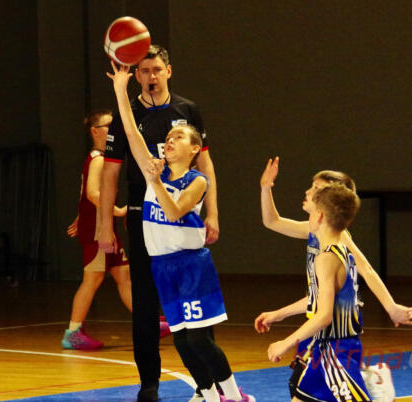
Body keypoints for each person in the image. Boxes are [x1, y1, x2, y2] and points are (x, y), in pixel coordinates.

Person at [106, 60, 254, 402]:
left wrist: (154, 181)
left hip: (190, 266)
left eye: (178, 138)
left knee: (199, 339)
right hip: (162, 266)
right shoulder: (153, 171)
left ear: (194, 149)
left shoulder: (195, 180)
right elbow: (131, 132)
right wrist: (120, 91)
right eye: (169, 137)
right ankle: (208, 394)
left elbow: (173, 212)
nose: (169, 141)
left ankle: (234, 396)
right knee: (182, 340)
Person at [98, 45, 219, 401]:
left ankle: (209, 382)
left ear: (169, 71)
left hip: (183, 215)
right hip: (144, 216)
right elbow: (110, 173)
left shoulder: (187, 111)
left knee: (192, 304)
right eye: (145, 70)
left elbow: (206, 165)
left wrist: (213, 212)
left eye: (157, 69)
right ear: (136, 75)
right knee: (146, 303)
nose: (151, 76)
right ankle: (149, 383)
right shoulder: (127, 116)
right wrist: (105, 224)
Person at [255, 158, 412, 399]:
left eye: (317, 189)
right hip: (321, 336)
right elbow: (272, 221)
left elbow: (366, 270)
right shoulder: (316, 232)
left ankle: (370, 382)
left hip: (334, 339)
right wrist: (266, 187)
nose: (309, 192)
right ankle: (366, 379)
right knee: (298, 389)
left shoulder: (336, 244)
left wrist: (390, 306)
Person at [257, 177, 370, 401]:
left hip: (336, 351)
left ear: (319, 215)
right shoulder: (337, 251)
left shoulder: (327, 257)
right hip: (325, 347)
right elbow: (318, 299)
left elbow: (324, 316)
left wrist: (285, 343)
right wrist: (278, 314)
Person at [62, 110, 133, 350]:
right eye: (109, 125)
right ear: (95, 131)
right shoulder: (98, 159)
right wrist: (118, 211)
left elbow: (86, 194)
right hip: (98, 229)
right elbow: (92, 193)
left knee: (123, 275)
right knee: (93, 279)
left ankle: (149, 322)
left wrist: (81, 215)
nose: (114, 129)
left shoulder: (101, 157)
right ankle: (73, 332)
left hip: (104, 225)